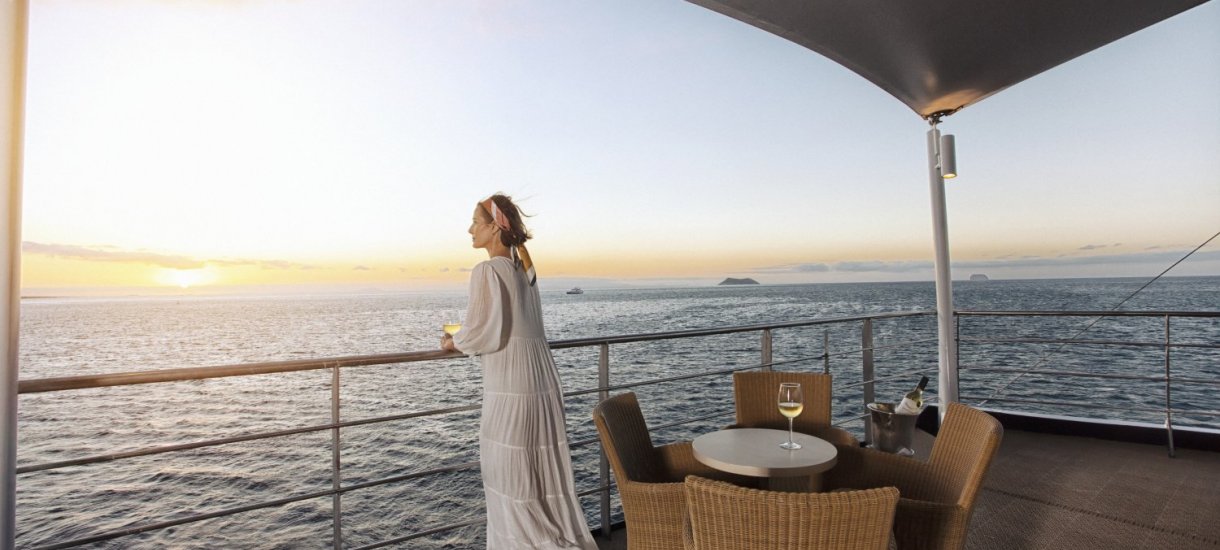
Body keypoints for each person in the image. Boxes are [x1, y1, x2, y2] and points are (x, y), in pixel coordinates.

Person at [441, 194, 597, 550]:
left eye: (475, 223)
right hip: (539, 379)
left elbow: (483, 332)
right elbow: (505, 323)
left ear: (495, 227)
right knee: (537, 475)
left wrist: (453, 341)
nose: (469, 230)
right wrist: (466, 335)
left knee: (509, 476)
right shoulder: (524, 272)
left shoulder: (487, 270)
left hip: (511, 383)